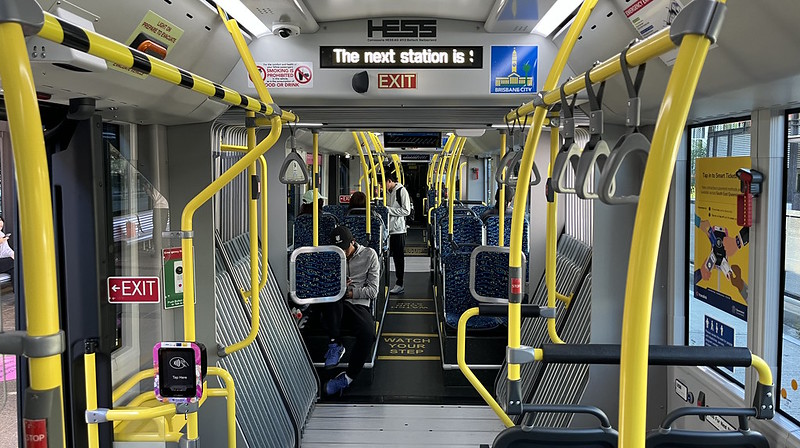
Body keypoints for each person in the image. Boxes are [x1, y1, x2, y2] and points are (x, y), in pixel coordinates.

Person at [323, 225, 379, 396]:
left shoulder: (369, 255)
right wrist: (338, 284)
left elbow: (373, 291)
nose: (342, 253)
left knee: (368, 333)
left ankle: (347, 378)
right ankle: (335, 344)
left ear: (353, 242)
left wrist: (350, 292)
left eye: (345, 249)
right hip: (335, 302)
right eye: (338, 250)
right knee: (333, 297)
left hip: (357, 303)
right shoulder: (330, 256)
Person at [383, 169, 411, 294]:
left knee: (398, 258)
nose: (381, 187)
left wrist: (388, 210)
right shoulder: (387, 192)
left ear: (389, 181)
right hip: (387, 230)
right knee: (386, 257)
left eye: (383, 183)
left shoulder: (401, 191)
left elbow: (406, 211)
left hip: (398, 230)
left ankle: (400, 283)